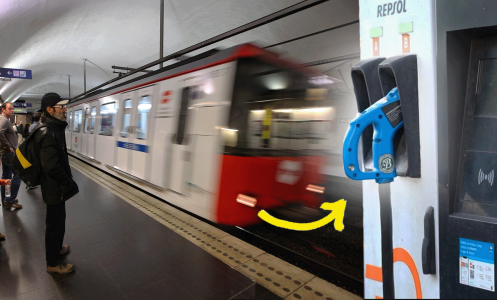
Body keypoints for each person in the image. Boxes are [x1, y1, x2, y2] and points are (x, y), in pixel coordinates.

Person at [35, 92, 78, 274]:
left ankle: (57, 248)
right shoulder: (48, 132)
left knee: (59, 221)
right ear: (50, 110)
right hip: (54, 187)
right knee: (53, 225)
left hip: (56, 187)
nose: (65, 110)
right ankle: (52, 263)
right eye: (61, 107)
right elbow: (51, 166)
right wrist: (68, 182)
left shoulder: (55, 128)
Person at [0, 103, 22, 209]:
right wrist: (8, 146)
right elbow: (0, 132)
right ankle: (10, 199)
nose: (12, 110)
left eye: (13, 109)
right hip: (8, 153)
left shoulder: (4, 119)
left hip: (5, 154)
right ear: (3, 109)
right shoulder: (4, 120)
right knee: (19, 173)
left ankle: (6, 198)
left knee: (6, 177)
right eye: (10, 109)